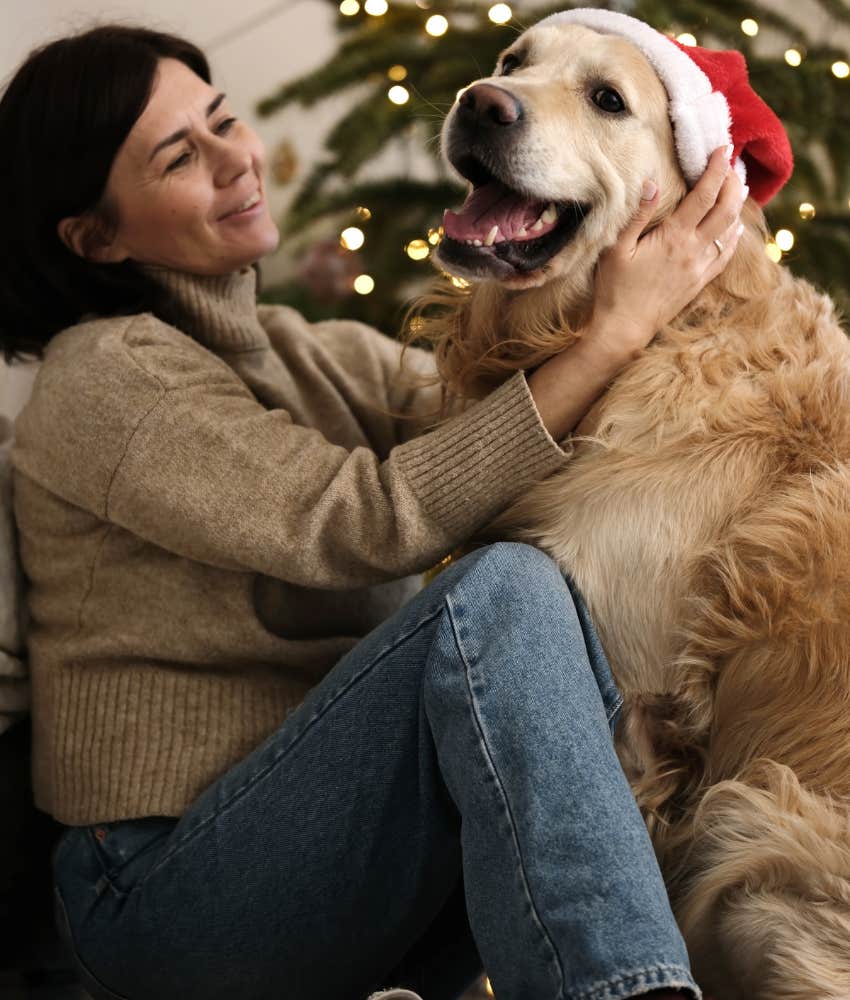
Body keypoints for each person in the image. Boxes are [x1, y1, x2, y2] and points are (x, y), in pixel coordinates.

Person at [0, 23, 744, 1000]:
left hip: (331, 851)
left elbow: (495, 420)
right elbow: (363, 519)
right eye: (181, 156)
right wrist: (610, 336)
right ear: (97, 235)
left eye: (223, 122)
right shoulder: (103, 379)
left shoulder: (296, 349)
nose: (236, 160)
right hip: (159, 892)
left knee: (576, 603)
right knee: (509, 591)